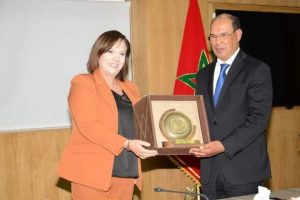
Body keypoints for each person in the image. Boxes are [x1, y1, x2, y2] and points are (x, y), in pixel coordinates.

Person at [57, 30, 158, 200]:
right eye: (110, 51)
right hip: (91, 174)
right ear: (99, 53)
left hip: (126, 171)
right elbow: (89, 126)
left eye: (122, 53)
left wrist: (162, 141)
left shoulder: (131, 88)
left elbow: (142, 124)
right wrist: (127, 143)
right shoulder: (83, 83)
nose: (116, 58)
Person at [189, 13, 273, 199]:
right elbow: (199, 116)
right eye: (213, 36)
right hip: (210, 172)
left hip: (244, 171)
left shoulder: (257, 70)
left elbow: (258, 119)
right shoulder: (203, 75)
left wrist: (223, 145)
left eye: (224, 35)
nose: (218, 42)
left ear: (238, 34)